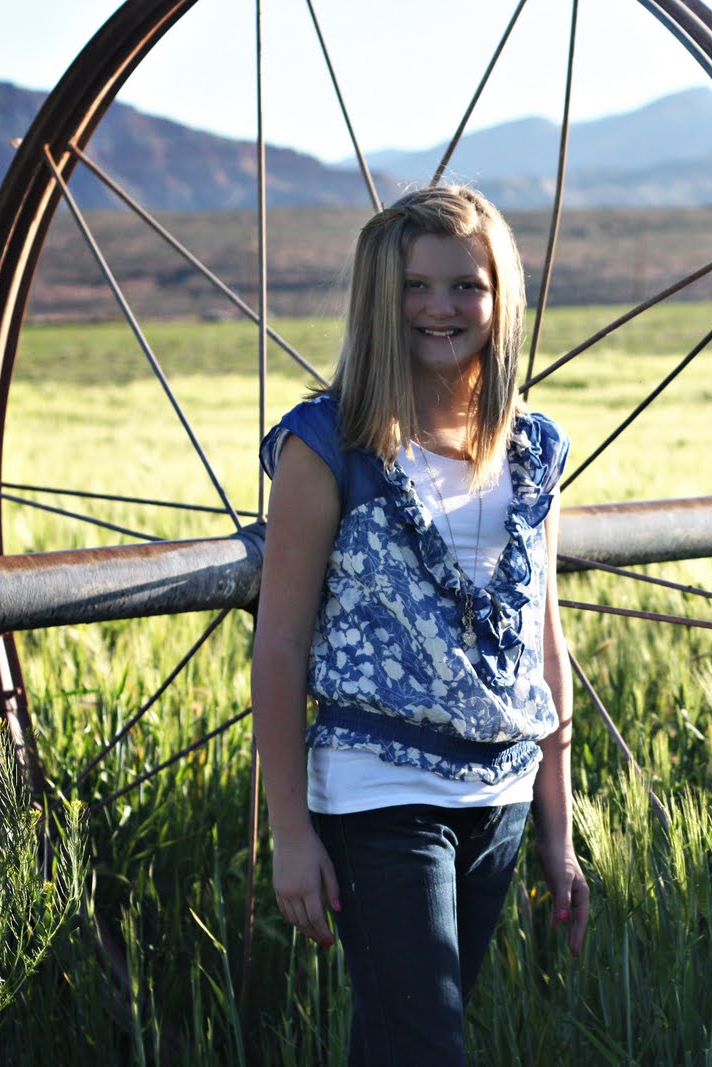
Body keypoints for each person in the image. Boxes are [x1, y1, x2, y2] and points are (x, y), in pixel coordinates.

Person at [251, 184, 589, 1065]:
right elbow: (279, 643)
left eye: (466, 285)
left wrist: (557, 828)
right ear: (380, 296)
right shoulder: (330, 444)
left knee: (399, 1044)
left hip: (499, 798)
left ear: (500, 297)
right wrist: (290, 833)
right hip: (378, 793)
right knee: (427, 1047)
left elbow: (543, 642)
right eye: (416, 286)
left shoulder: (531, 449)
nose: (442, 307)